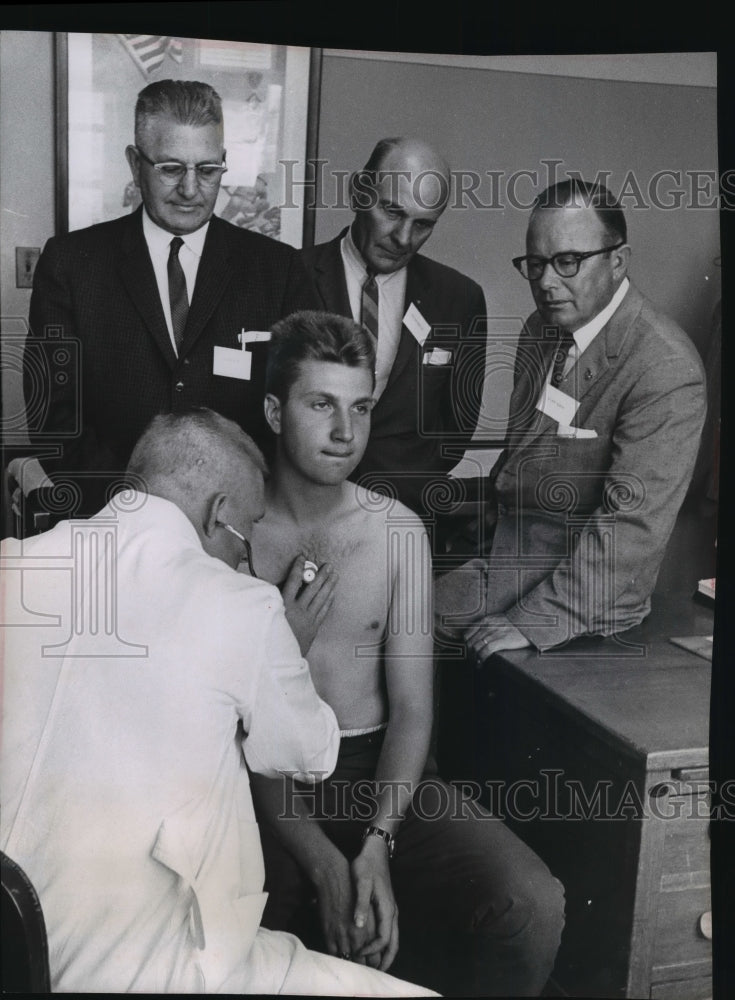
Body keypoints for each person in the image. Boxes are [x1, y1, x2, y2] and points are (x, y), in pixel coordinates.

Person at [0, 409, 433, 996]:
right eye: (246, 537)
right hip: (148, 966)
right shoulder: (244, 609)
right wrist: (287, 646)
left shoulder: (13, 564)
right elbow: (311, 754)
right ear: (217, 515)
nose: (245, 559)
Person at [249, 311, 565, 997]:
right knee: (245, 930)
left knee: (528, 902)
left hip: (376, 771)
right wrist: (329, 867)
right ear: (275, 410)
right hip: (263, 783)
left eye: (360, 407)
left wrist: (376, 843)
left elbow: (414, 713)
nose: (344, 431)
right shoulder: (233, 532)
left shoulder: (395, 532)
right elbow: (233, 736)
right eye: (320, 405)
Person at [13, 79, 313, 518]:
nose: (191, 189)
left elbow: (293, 414)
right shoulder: (72, 264)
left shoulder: (279, 269)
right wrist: (139, 512)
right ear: (135, 165)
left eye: (208, 170)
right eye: (171, 168)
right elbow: (56, 419)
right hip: (111, 520)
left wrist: (237, 511)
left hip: (238, 526)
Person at [436, 179, 707, 656]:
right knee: (373, 600)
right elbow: (518, 461)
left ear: (618, 261)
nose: (544, 281)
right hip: (502, 560)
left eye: (567, 262)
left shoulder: (664, 367)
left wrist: (536, 620)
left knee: (390, 623)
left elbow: (631, 528)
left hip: (579, 598)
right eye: (536, 264)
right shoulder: (541, 331)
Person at [299, 137, 487, 536]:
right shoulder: (287, 276)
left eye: (423, 224)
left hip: (402, 520)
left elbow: (457, 425)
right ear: (358, 192)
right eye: (392, 211)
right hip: (299, 512)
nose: (403, 238)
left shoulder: (459, 298)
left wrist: (407, 485)